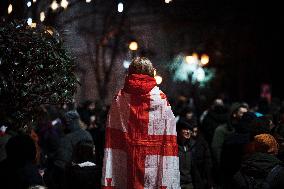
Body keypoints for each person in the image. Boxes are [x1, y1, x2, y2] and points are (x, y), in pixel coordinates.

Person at [101, 57, 180, 188]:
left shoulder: (119, 98)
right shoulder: (160, 98)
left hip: (126, 157)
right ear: (150, 72)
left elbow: (112, 132)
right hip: (153, 162)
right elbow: (169, 135)